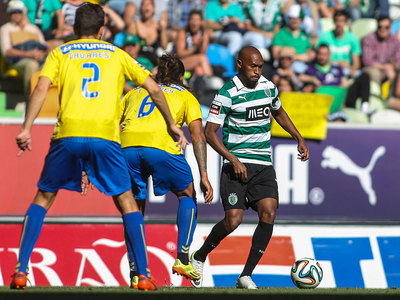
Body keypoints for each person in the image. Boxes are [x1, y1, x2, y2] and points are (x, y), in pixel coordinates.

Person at [11, 3, 187, 291]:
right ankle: (142, 275)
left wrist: (27, 128)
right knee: (127, 202)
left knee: (43, 197)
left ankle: (20, 270)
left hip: (67, 134)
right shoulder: (117, 54)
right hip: (106, 136)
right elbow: (154, 87)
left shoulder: (60, 53)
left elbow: (41, 87)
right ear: (103, 30)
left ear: (74, 29)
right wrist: (170, 123)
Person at [189, 46, 309, 289]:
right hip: (236, 165)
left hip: (263, 163)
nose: (257, 71)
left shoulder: (268, 87)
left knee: (269, 211)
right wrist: (233, 159)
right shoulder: (227, 93)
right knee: (233, 221)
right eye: (253, 66)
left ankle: (246, 275)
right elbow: (209, 133)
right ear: (240, 64)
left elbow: (278, 111)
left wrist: (298, 137)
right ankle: (199, 256)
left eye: (260, 66)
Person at [118, 54, 213, 288]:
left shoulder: (135, 92)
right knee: (186, 194)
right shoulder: (186, 96)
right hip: (160, 148)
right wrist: (203, 174)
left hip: (127, 147)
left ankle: (137, 273)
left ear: (158, 75)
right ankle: (182, 258)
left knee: (133, 210)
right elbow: (198, 136)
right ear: (181, 77)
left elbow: (112, 120)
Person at [0, 0, 48, 102]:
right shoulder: (5, 29)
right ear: (9, 14)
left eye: (19, 12)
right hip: (17, 62)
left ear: (23, 13)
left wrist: (41, 54)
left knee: (50, 64)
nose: (17, 15)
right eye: (14, 12)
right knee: (31, 65)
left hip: (38, 59)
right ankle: (30, 98)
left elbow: (45, 46)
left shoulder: (33, 28)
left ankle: (48, 100)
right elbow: (7, 51)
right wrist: (28, 54)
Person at [316, 9, 361, 78]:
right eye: (337, 21)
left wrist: (352, 69)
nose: (339, 24)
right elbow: (319, 58)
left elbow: (356, 63)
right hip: (327, 69)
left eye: (342, 21)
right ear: (334, 21)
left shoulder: (353, 38)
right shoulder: (324, 37)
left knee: (362, 76)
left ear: (346, 22)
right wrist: (338, 63)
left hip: (345, 70)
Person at [272, 4, 315, 74]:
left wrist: (294, 56)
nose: (295, 21)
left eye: (298, 18)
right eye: (292, 18)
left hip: (303, 66)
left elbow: (309, 55)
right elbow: (275, 55)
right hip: (286, 67)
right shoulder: (280, 34)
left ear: (301, 19)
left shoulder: (304, 34)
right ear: (289, 18)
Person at [362, 15, 400, 92]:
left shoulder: (395, 40)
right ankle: (377, 98)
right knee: (374, 74)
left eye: (386, 27)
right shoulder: (369, 39)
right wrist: (385, 67)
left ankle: (391, 98)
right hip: (373, 68)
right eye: (380, 27)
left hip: (389, 68)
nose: (383, 30)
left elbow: (398, 59)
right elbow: (367, 61)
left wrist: (391, 67)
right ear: (377, 27)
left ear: (391, 28)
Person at [126, 0, 168, 68]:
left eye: (149, 4)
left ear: (153, 9)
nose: (146, 7)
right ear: (141, 8)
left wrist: (163, 30)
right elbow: (128, 47)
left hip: (155, 63)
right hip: (139, 62)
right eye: (144, 5)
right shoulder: (134, 25)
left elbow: (164, 46)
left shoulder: (158, 27)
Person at [175, 10, 213, 77]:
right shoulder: (183, 33)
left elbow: (203, 52)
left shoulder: (202, 34)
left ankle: (204, 86)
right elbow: (180, 54)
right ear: (189, 21)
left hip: (196, 62)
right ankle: (211, 80)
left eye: (197, 20)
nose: (194, 22)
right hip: (181, 63)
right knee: (202, 58)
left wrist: (204, 40)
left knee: (199, 70)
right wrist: (195, 48)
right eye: (192, 19)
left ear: (201, 22)